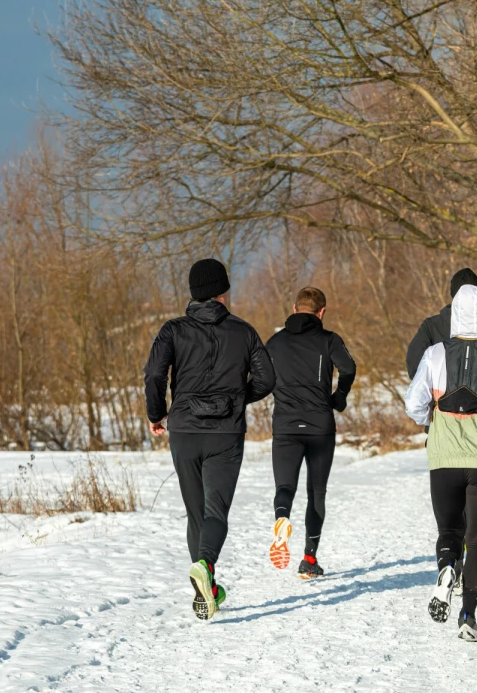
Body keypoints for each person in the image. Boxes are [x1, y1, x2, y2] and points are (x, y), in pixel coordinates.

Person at [144, 258, 275, 620]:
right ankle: (206, 569)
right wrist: (235, 398)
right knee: (216, 510)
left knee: (195, 513)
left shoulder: (172, 330)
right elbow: (267, 379)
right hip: (226, 433)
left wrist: (157, 414)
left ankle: (206, 591)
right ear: (223, 291)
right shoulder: (244, 331)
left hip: (184, 430)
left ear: (192, 292)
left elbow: (154, 374)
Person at [405, 285, 477, 642]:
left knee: (450, 531)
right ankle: (469, 614)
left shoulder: (435, 353)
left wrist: (434, 416)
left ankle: (445, 569)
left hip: (444, 457)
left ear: (454, 313)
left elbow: (414, 404)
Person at [265, 287, 356, 579]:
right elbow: (349, 368)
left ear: (294, 309)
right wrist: (338, 397)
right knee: (316, 493)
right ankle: (308, 559)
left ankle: (281, 519)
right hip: (319, 426)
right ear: (322, 312)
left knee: (285, 487)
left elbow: (261, 377)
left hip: (285, 427)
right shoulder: (329, 340)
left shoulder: (275, 343)